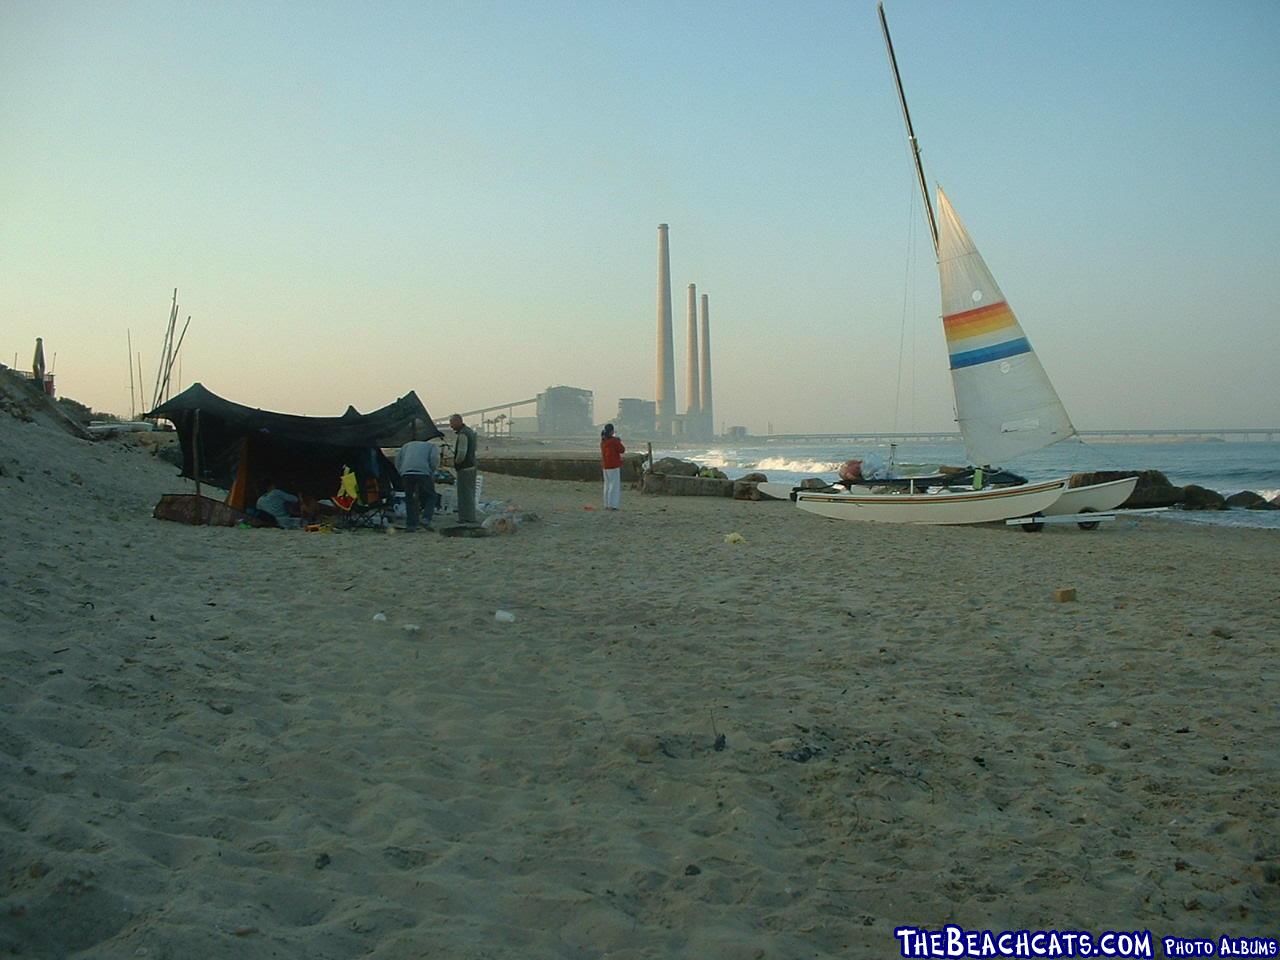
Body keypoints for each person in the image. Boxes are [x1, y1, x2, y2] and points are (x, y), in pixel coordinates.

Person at [396, 422, 441, 531]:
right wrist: (431, 471)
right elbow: (434, 460)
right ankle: (426, 518)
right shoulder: (431, 446)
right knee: (431, 496)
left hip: (407, 473)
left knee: (409, 498)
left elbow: (398, 460)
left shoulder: (406, 446)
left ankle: (411, 525)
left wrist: (401, 471)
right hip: (423, 472)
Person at [449, 413, 478, 524]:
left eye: (452, 423)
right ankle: (470, 516)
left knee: (464, 494)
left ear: (458, 421)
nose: (451, 426)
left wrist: (456, 462)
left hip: (465, 467)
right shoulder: (470, 431)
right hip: (472, 465)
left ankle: (466, 518)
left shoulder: (463, 434)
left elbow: (462, 452)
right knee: (470, 492)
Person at [600, 423, 625, 510]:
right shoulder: (614, 441)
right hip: (613, 465)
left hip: (605, 465)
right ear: (611, 432)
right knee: (614, 486)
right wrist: (618, 441)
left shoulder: (603, 441)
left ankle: (606, 504)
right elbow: (622, 450)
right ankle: (613, 505)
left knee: (607, 485)